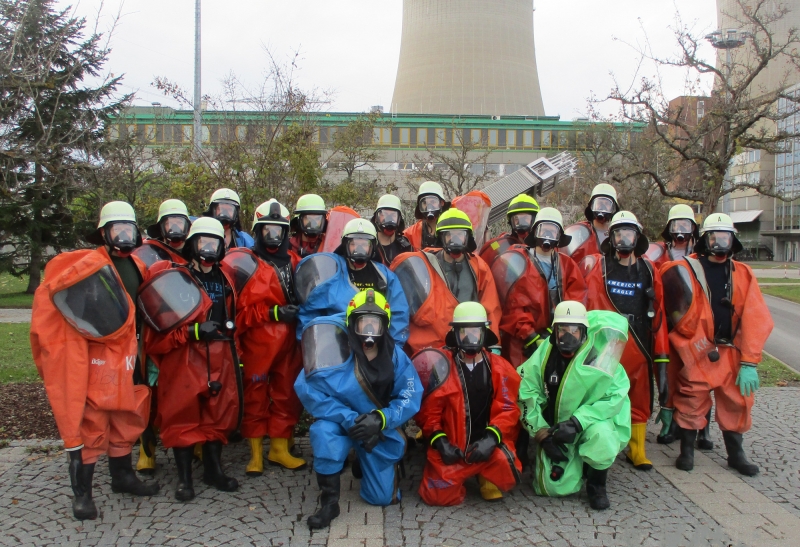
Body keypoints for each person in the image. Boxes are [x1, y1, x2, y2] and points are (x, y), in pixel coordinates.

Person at [30, 201, 158, 520]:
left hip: (132, 354)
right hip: (99, 355)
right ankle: (83, 496)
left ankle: (123, 476)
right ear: (104, 233)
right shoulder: (89, 266)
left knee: (128, 414)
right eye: (118, 230)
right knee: (93, 420)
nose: (124, 236)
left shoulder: (138, 267)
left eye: (129, 229)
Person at [294, 290, 423, 528]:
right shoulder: (332, 351)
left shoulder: (395, 356)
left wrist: (381, 419)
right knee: (324, 432)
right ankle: (329, 503)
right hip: (342, 422)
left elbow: (410, 395)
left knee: (382, 498)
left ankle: (364, 461)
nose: (369, 330)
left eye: (376, 323)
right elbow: (305, 387)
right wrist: (347, 418)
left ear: (385, 325)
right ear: (352, 322)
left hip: (376, 429)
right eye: (364, 322)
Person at [659, 213, 773, 476]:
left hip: (731, 352)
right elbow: (670, 299)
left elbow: (756, 317)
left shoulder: (743, 274)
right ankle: (686, 451)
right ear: (704, 240)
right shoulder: (685, 269)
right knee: (691, 398)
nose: (719, 243)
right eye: (714, 237)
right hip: (698, 350)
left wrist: (749, 361)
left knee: (738, 401)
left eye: (724, 237)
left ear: (733, 240)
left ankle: (736, 454)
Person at [140, 217, 242, 501]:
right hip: (185, 353)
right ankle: (184, 479)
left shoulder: (226, 278)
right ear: (192, 245)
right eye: (203, 242)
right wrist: (194, 330)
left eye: (214, 243)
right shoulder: (176, 277)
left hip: (220, 353)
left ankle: (213, 470)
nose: (208, 249)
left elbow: (234, 314)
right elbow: (161, 325)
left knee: (217, 413)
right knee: (181, 414)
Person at [517, 301, 631, 510]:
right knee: (552, 488)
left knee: (602, 437)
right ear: (554, 331)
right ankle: (576, 463)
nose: (568, 337)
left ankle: (596, 484)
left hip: (590, 423)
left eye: (575, 331)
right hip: (556, 429)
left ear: (584, 332)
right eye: (563, 330)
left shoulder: (600, 356)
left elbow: (615, 396)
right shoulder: (544, 356)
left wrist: (578, 422)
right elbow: (526, 393)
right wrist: (542, 435)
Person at [221, 199, 307, 474]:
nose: (273, 236)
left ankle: (279, 449)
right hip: (257, 342)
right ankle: (255, 453)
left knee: (286, 394)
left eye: (278, 230)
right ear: (257, 231)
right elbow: (235, 313)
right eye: (267, 230)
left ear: (286, 232)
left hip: (290, 341)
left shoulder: (296, 262)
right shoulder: (242, 265)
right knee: (255, 394)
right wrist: (272, 314)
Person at [578, 211, 669, 471]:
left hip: (638, 342)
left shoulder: (650, 270)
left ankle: (637, 449)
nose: (624, 239)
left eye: (629, 234)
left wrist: (661, 354)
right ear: (612, 237)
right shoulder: (595, 265)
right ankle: (592, 443)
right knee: (596, 395)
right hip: (604, 343)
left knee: (639, 396)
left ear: (637, 237)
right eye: (619, 233)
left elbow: (659, 312)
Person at [415, 302, 522, 506]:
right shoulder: (442, 367)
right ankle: (459, 474)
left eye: (476, 332)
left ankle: (486, 475)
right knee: (437, 496)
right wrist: (441, 442)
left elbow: (508, 408)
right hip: (454, 448)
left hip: (487, 448)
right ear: (455, 334)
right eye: (464, 332)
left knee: (505, 466)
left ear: (484, 334)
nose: (470, 338)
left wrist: (492, 439)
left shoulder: (500, 368)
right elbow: (430, 412)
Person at [132, 199, 192, 474]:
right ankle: (147, 449)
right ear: (162, 226)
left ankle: (193, 446)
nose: (176, 228)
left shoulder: (197, 251)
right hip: (154, 331)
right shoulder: (145, 253)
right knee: (149, 391)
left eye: (180, 222)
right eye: (170, 223)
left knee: (184, 392)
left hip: (186, 333)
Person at [391, 208, 501, 357]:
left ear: (467, 238)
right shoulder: (424, 265)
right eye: (449, 235)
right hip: (430, 351)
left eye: (460, 235)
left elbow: (491, 307)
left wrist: (494, 345)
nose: (454, 240)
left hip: (469, 344)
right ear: (441, 238)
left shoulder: (479, 268)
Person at [493, 207, 587, 367]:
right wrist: (531, 336)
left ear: (559, 237)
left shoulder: (567, 265)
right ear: (535, 233)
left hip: (559, 338)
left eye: (553, 232)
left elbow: (576, 301)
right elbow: (512, 304)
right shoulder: (518, 261)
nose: (548, 237)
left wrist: (557, 330)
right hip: (522, 342)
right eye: (544, 231)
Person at [294, 217, 410, 345]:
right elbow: (310, 311)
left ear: (373, 247)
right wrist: (314, 345)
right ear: (345, 245)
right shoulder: (330, 272)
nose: (359, 249)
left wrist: (392, 350)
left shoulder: (384, 276)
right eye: (354, 244)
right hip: (336, 346)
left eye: (365, 245)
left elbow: (399, 314)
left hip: (374, 345)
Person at [478, 193, 540, 267]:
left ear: (535, 220)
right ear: (511, 222)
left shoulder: (543, 248)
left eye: (526, 218)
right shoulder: (500, 245)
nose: (521, 223)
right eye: (517, 219)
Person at [564, 183, 619, 264]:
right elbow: (563, 259)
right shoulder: (579, 231)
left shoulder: (618, 235)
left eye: (607, 204)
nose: (602, 207)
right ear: (591, 206)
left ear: (613, 209)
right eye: (599, 203)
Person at [645, 204, 699, 269]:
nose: (681, 229)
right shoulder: (658, 252)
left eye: (685, 224)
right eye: (677, 224)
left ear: (692, 228)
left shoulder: (700, 254)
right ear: (670, 227)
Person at [403, 181, 450, 250]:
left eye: (433, 202)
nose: (429, 206)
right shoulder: (410, 234)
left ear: (441, 203)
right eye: (425, 203)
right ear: (420, 206)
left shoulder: (451, 229)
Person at [370, 194, 413, 266]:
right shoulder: (369, 245)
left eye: (393, 215)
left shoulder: (404, 246)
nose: (389, 219)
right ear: (376, 218)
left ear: (399, 220)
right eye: (384, 214)